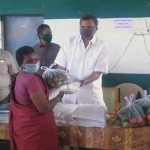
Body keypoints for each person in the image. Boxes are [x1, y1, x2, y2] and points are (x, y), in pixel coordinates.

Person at [9, 46, 63, 150]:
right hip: (36, 135)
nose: (34, 63)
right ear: (21, 65)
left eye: (35, 59)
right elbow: (43, 108)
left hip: (24, 132)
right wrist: (58, 98)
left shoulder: (19, 77)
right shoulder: (31, 80)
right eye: (29, 61)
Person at [55, 14, 109, 109]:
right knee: (68, 122)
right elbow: (61, 66)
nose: (85, 29)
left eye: (89, 27)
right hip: (69, 93)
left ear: (96, 28)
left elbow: (97, 73)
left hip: (91, 95)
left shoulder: (102, 46)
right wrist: (63, 80)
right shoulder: (69, 43)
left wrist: (80, 83)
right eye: (83, 27)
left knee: (93, 122)